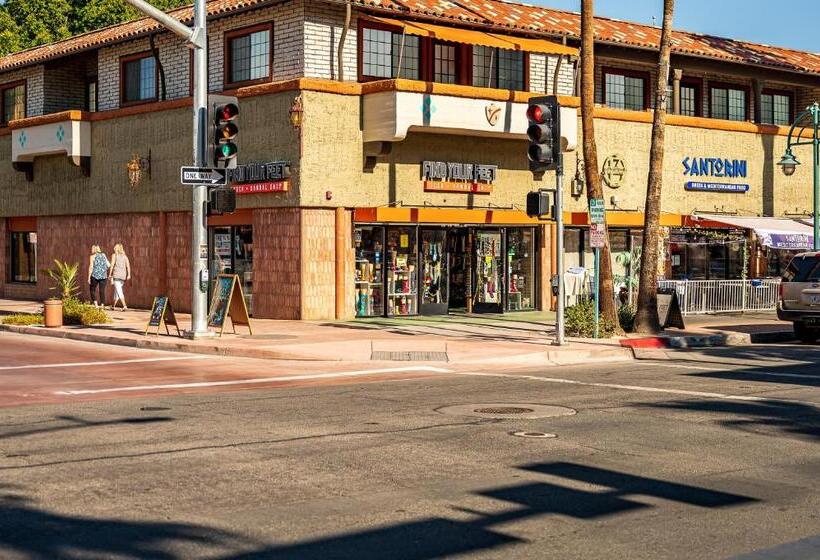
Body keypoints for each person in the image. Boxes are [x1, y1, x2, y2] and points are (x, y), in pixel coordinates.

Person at [109, 243, 132, 311]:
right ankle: (113, 306)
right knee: (117, 291)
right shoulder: (125, 256)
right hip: (123, 276)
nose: (114, 248)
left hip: (116, 275)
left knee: (119, 291)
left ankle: (124, 306)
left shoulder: (114, 255)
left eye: (115, 247)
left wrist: (110, 274)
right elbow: (128, 266)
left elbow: (112, 265)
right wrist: (129, 275)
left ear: (117, 248)